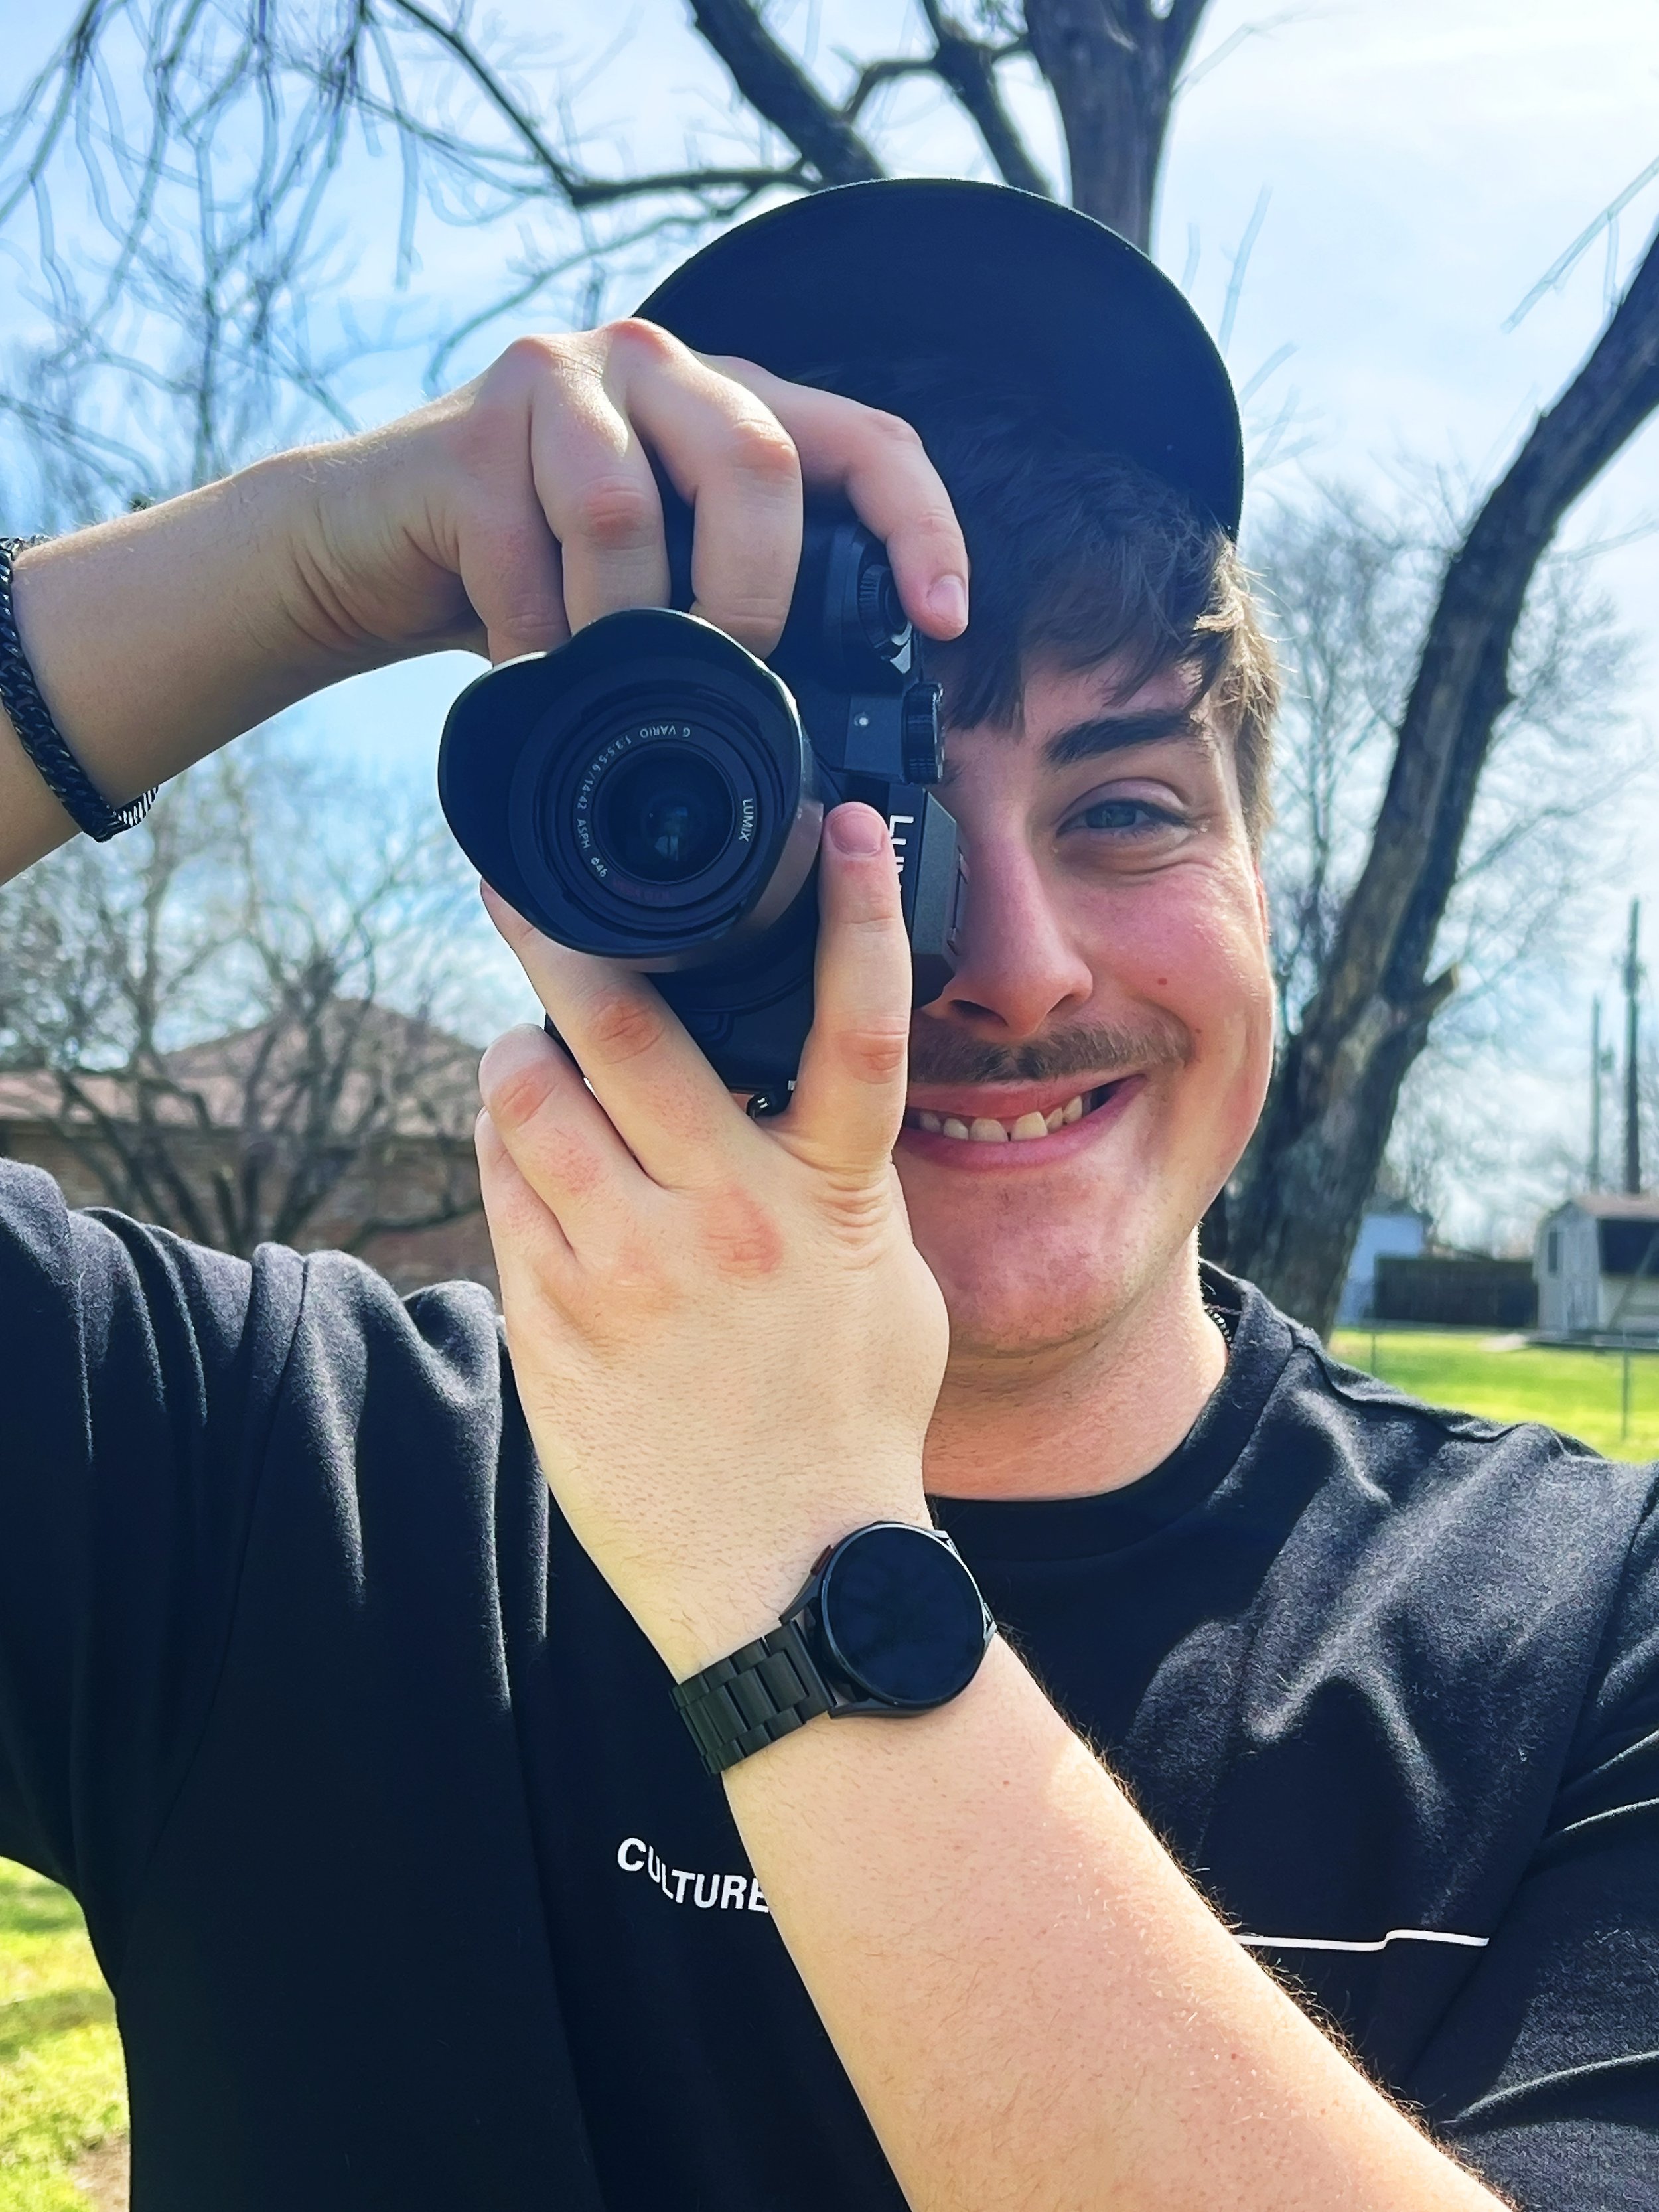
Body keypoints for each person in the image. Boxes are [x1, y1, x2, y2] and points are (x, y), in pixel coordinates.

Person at [0, 179, 1652, 2212]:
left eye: (1125, 804)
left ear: (1266, 906)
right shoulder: (271, 1475)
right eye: (853, 810)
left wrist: (789, 1560)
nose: (1009, 957)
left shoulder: (1586, 1636)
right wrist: (298, 567)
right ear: (592, 841)